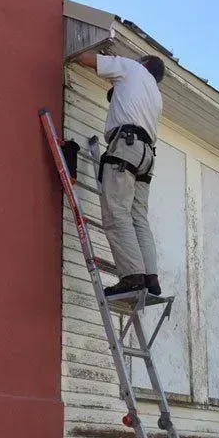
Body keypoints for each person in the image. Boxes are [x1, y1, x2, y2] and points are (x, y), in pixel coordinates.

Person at [74, 51, 165, 296]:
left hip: (126, 147)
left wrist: (88, 52)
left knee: (117, 213)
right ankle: (150, 276)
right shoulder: (155, 94)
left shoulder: (131, 68)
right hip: (146, 155)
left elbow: (87, 59)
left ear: (143, 63)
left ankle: (132, 277)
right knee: (138, 217)